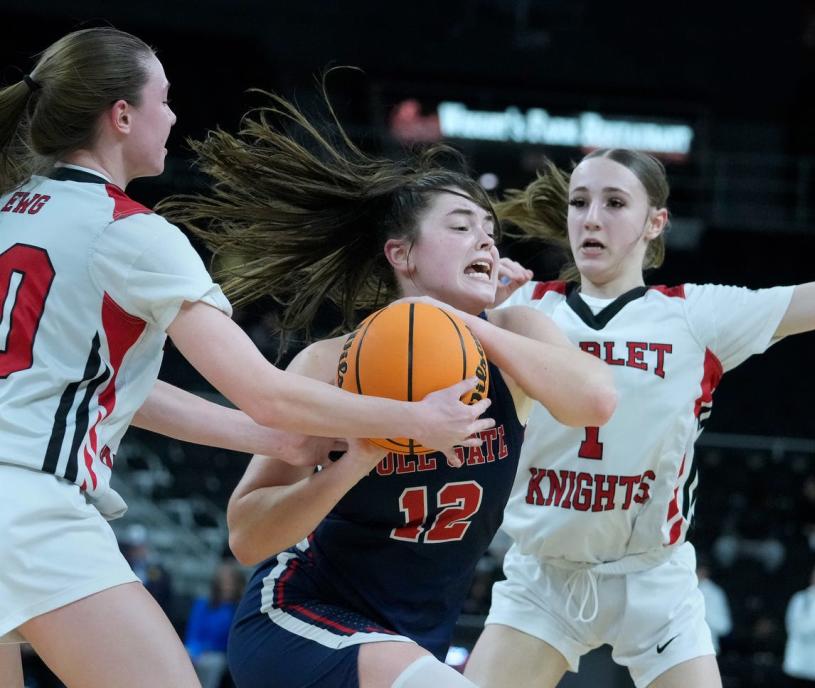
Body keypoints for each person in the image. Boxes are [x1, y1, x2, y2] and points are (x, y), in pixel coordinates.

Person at [0, 28, 497, 688]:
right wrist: (414, 419)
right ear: (122, 115)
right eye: (165, 100)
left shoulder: (11, 212)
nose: (173, 116)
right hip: (29, 503)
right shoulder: (129, 232)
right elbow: (265, 388)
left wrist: (271, 441)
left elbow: (106, 389)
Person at [463, 76, 815, 688]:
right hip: (545, 576)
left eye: (614, 203)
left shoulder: (696, 314)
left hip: (653, 579)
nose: (590, 218)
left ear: (656, 221)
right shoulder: (520, 307)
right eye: (580, 202)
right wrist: (475, 293)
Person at [162, 91, 616, 688]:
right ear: (400, 253)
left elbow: (596, 401)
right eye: (461, 226)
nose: (486, 241)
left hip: (414, 641)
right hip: (300, 619)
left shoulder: (513, 335)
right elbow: (247, 535)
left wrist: (463, 323)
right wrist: (363, 454)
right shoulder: (330, 362)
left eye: (490, 230)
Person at [185, 559, 247, 688]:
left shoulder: (238, 609)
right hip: (197, 649)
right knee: (183, 656)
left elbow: (231, 641)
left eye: (231, 582)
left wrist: (207, 650)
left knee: (210, 664)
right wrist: (197, 651)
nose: (227, 585)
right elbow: (193, 632)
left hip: (219, 653)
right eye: (223, 581)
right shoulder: (203, 603)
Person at [695, 560, 731, 654]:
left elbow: (724, 627)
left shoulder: (714, 593)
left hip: (705, 650)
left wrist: (700, 610)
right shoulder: (681, 589)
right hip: (678, 649)